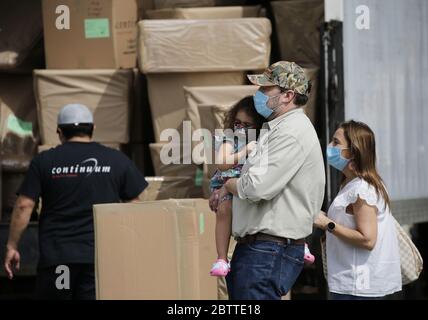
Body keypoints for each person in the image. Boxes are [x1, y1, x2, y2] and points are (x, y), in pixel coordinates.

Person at [3, 104, 148, 300]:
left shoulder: (44, 161)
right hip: (99, 259)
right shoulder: (116, 160)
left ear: (59, 132)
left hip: (58, 260)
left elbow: (24, 205)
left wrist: (12, 246)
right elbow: (136, 207)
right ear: (93, 129)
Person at [209, 61, 325, 300]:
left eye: (265, 89)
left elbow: (257, 187)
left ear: (288, 95)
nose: (258, 95)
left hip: (267, 250)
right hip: (261, 250)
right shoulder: (276, 129)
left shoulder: (290, 131)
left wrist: (229, 185)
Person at [314, 120, 402, 300]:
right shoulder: (352, 184)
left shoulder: (362, 189)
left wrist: (327, 224)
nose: (330, 146)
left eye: (336, 143)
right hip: (351, 283)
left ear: (353, 152)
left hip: (359, 286)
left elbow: (368, 239)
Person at [209, 96, 264, 276]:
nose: (240, 128)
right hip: (227, 182)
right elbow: (222, 164)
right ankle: (222, 258)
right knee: (224, 210)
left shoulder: (264, 142)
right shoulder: (229, 141)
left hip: (249, 186)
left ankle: (299, 242)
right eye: (237, 123)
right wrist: (244, 151)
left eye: (247, 125)